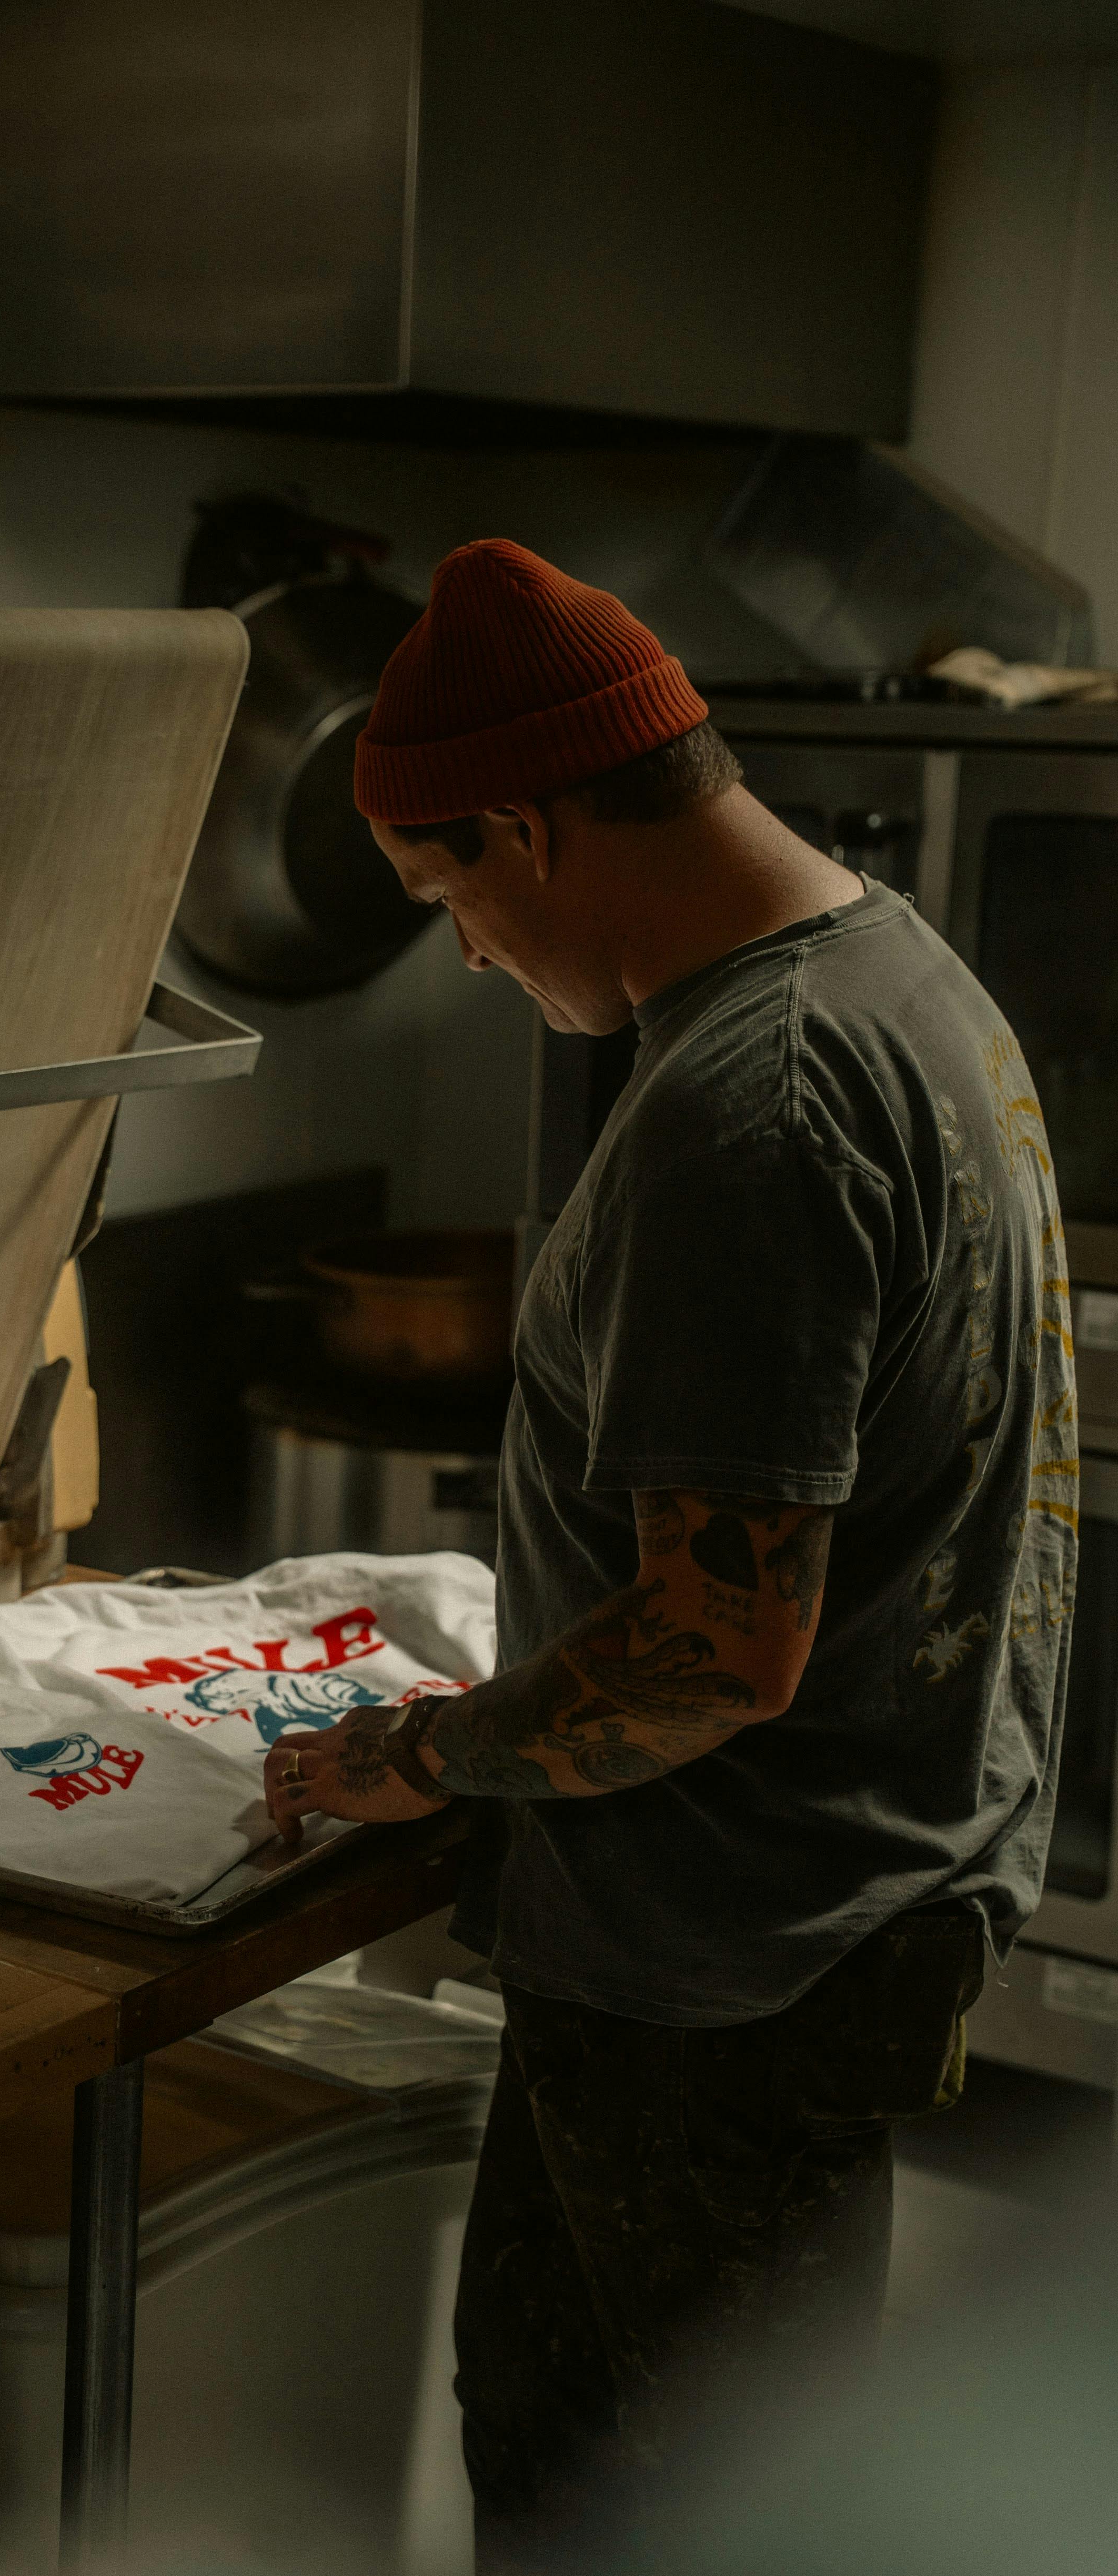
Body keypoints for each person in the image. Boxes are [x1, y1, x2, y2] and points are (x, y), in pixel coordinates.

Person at [261, 540, 1078, 2568]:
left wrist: (424, 1750)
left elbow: (715, 1648)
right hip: (808, 1916)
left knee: (686, 2518)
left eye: (450, 896)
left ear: (527, 826)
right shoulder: (897, 970)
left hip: (733, 1968)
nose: (460, 951)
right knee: (583, 2461)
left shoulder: (753, 1107)